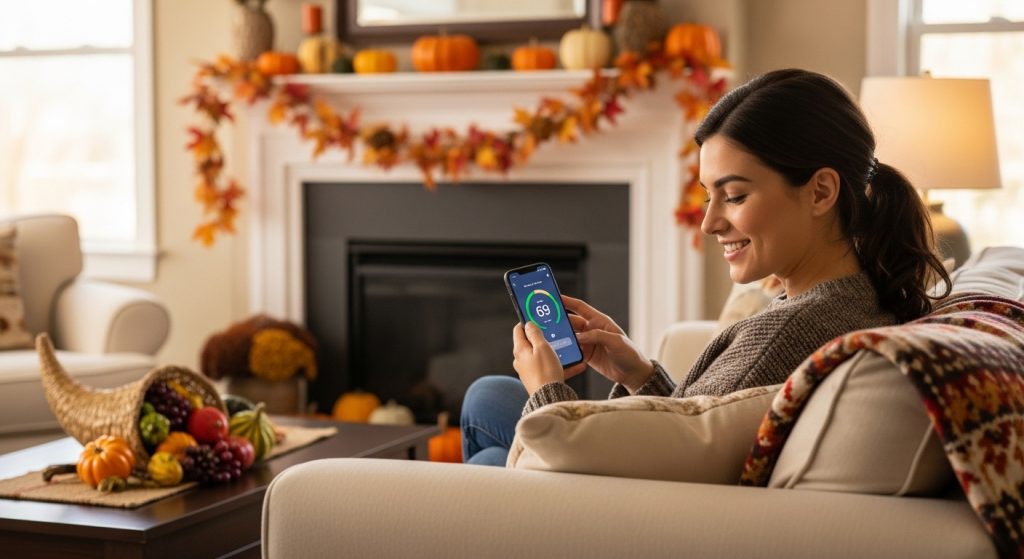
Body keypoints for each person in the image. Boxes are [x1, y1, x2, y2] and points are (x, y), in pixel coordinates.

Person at [461, 68, 952, 467]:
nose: (709, 222)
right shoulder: (853, 295)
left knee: (487, 433)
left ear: (821, 192)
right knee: (488, 401)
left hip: (616, 504)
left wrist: (547, 389)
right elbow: (699, 433)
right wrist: (638, 372)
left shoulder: (788, 331)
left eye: (735, 196)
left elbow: (621, 470)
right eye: (708, 195)